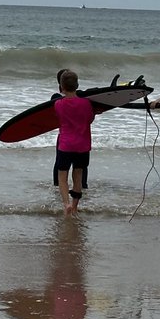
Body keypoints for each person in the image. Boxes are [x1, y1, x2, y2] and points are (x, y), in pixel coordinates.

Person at [53, 70, 94, 215]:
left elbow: (58, 119)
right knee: (78, 176)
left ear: (61, 87)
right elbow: (90, 119)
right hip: (83, 145)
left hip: (66, 145)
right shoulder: (86, 103)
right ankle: (75, 206)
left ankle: (66, 204)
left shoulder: (58, 104)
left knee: (62, 177)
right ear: (77, 85)